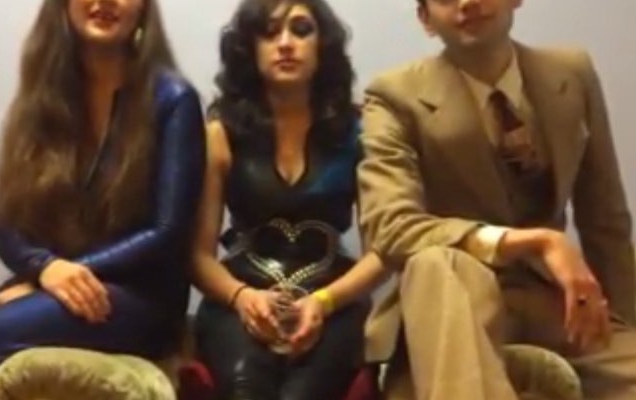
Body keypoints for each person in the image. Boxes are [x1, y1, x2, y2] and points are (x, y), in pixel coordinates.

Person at [357, 0, 636, 399]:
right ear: (425, 19)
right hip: (452, 306)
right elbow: (389, 228)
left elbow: (605, 219)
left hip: (555, 301)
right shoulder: (393, 95)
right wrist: (533, 241)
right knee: (436, 260)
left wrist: (625, 319)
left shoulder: (571, 73)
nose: (466, 3)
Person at [191, 0, 387, 398]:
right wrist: (242, 298)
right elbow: (197, 256)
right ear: (249, 48)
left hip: (334, 301)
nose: (285, 43)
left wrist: (325, 302)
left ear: (323, 45)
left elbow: (382, 251)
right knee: (247, 386)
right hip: (239, 297)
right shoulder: (221, 133)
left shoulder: (359, 132)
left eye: (300, 30)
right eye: (269, 32)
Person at [0, 0, 205, 364]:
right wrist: (43, 268)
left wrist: (63, 275)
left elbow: (166, 231)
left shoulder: (173, 98)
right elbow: (5, 216)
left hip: (140, 297)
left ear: (143, 9)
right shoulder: (45, 94)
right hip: (55, 281)